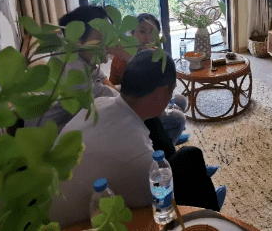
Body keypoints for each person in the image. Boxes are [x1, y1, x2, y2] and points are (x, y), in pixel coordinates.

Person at [49, 50, 226, 227]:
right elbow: (159, 209)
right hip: (78, 225)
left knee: (170, 141)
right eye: (171, 91)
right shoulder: (140, 157)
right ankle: (209, 213)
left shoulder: (99, 103)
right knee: (191, 157)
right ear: (160, 93)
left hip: (52, 205)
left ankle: (207, 197)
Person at [26, 5, 118, 133]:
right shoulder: (73, 71)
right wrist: (127, 56)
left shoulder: (73, 54)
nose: (110, 42)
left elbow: (103, 79)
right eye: (102, 36)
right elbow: (122, 105)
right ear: (78, 39)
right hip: (49, 140)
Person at [110, 13, 190, 146]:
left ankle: (168, 136)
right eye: (142, 31)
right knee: (178, 118)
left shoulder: (153, 52)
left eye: (152, 33)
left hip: (149, 98)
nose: (147, 37)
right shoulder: (122, 58)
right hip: (131, 107)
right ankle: (167, 149)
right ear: (131, 33)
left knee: (181, 100)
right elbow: (135, 92)